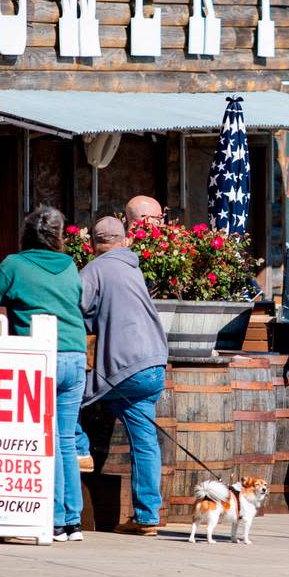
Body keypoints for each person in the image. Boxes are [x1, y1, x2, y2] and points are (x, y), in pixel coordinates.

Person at [0, 206, 88, 542]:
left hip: (40, 355)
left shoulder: (13, 265)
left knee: (46, 439)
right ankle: (72, 521)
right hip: (75, 355)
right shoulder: (71, 266)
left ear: (26, 233)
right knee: (65, 439)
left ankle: (56, 518)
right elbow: (77, 300)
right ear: (59, 235)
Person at [79, 216, 170, 536]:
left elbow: (76, 315)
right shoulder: (133, 267)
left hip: (124, 367)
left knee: (66, 397)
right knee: (145, 442)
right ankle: (147, 517)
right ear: (125, 241)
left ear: (93, 244)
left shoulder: (93, 271)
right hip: (154, 364)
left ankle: (78, 450)